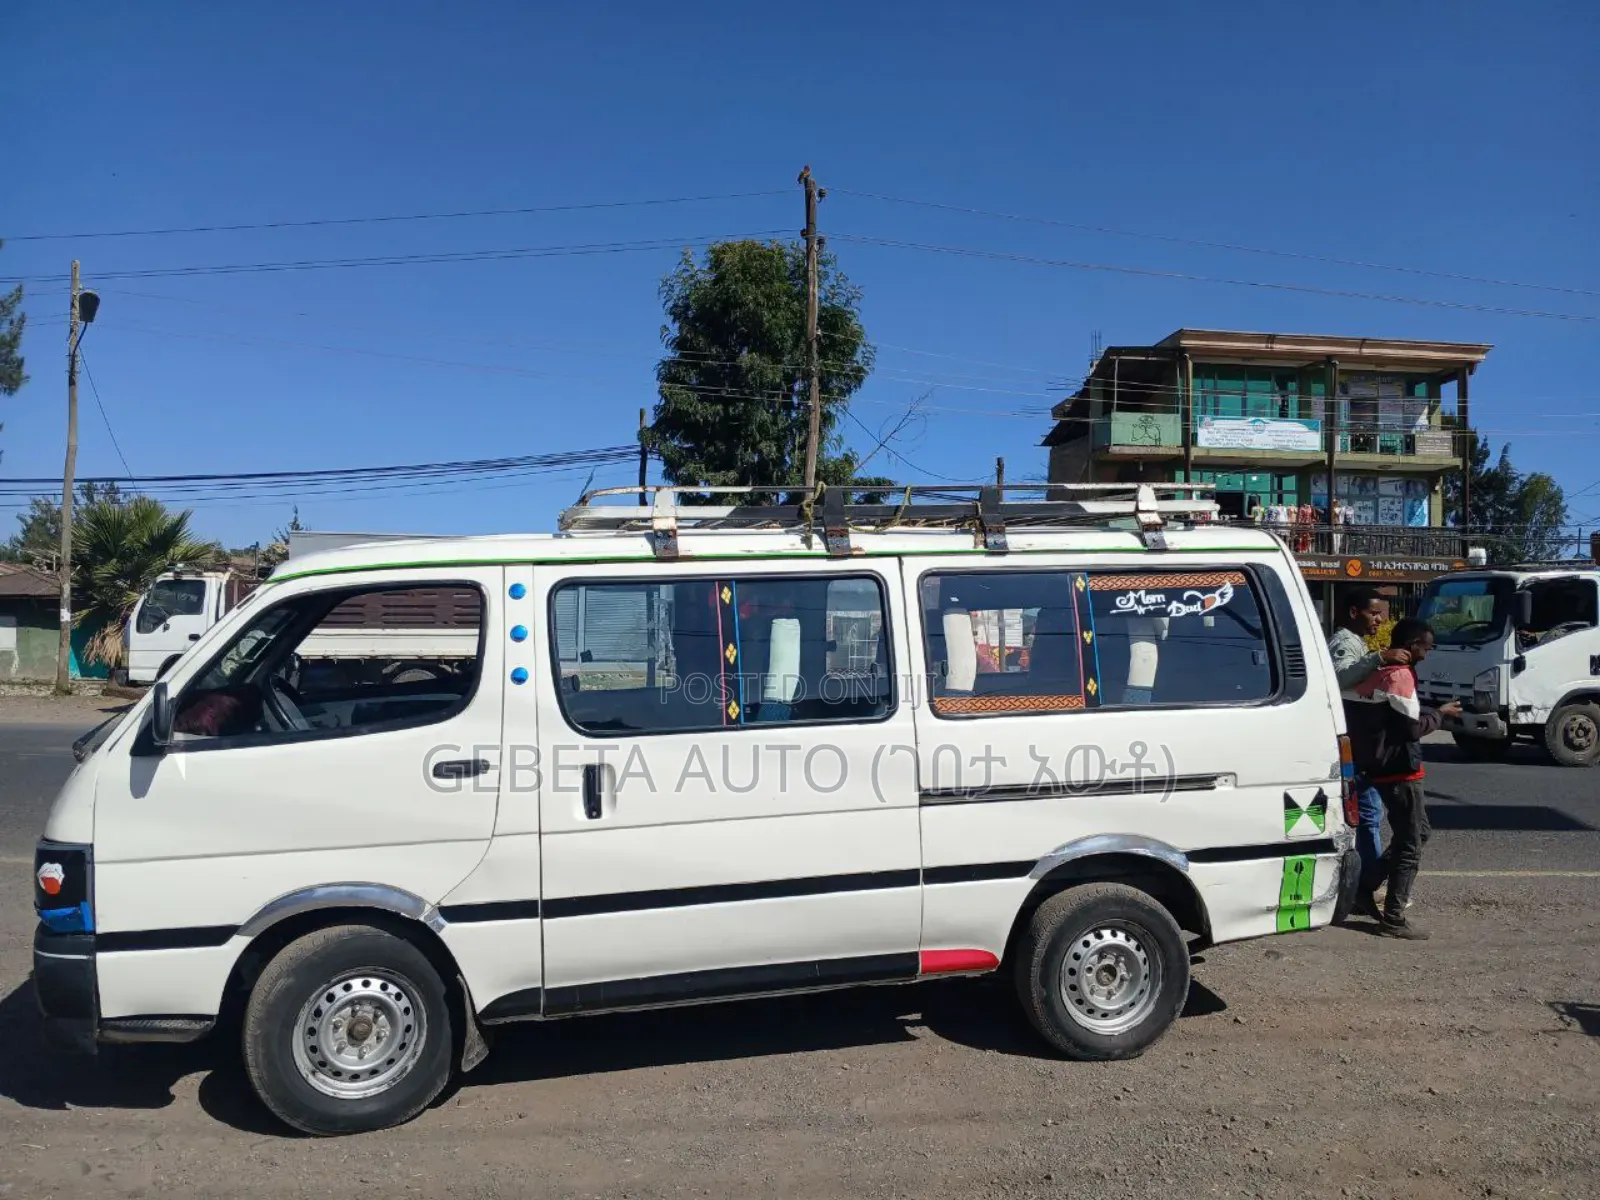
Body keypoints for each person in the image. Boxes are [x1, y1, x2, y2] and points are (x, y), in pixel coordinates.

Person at [1344, 618, 1460, 938]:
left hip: (1379, 768)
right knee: (1410, 844)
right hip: (1401, 772)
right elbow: (1411, 729)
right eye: (1426, 646)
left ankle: (1364, 888)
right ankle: (1393, 917)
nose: (1428, 652)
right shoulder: (1400, 676)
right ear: (1412, 645)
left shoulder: (1373, 672)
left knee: (1419, 832)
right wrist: (1441, 714)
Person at [1328, 588, 1411, 901]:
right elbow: (1338, 679)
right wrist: (1379, 658)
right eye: (1374, 613)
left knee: (1368, 813)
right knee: (1367, 815)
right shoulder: (1344, 642)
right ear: (1353, 612)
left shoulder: (1356, 642)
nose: (1379, 620)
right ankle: (1367, 885)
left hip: (1358, 742)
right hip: (1353, 743)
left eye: (1382, 615)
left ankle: (1366, 881)